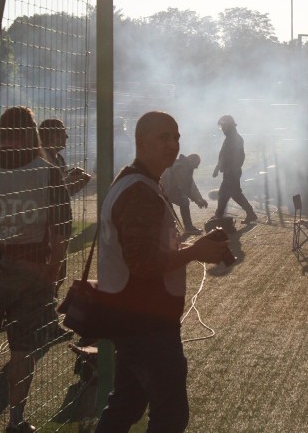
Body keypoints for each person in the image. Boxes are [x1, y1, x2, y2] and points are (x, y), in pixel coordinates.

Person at [94, 111, 231, 433]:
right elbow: (142, 263)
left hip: (134, 316)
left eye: (176, 137)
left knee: (125, 404)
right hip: (145, 320)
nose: (173, 144)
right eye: (163, 137)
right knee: (169, 416)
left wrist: (195, 246)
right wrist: (195, 252)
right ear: (142, 142)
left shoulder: (137, 182)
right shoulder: (140, 191)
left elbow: (147, 250)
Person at [0, 106, 71, 433]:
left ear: (1, 131)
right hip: (32, 270)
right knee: (23, 347)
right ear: (31, 132)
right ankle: (16, 419)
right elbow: (62, 226)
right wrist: (53, 270)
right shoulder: (46, 169)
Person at [38, 118, 91, 339]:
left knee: (58, 274)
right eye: (62, 133)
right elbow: (49, 195)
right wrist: (73, 181)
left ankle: (43, 319)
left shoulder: (57, 158)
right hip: (47, 228)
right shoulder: (41, 158)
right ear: (51, 135)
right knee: (51, 273)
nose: (67, 137)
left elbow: (62, 193)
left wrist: (76, 181)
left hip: (59, 224)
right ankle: (46, 324)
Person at [211, 114, 257, 223]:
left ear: (229, 126)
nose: (222, 129)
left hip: (232, 172)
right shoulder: (231, 138)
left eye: (223, 127)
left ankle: (219, 216)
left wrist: (227, 168)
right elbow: (224, 156)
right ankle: (250, 214)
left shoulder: (234, 139)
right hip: (230, 172)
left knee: (228, 194)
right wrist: (219, 167)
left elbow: (237, 157)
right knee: (230, 194)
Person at [161, 153, 208, 235]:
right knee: (184, 201)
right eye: (195, 165)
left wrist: (200, 198)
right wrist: (197, 200)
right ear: (191, 162)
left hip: (169, 190)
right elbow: (185, 188)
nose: (195, 168)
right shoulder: (180, 167)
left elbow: (192, 186)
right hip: (165, 191)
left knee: (182, 202)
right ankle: (188, 227)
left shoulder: (186, 167)